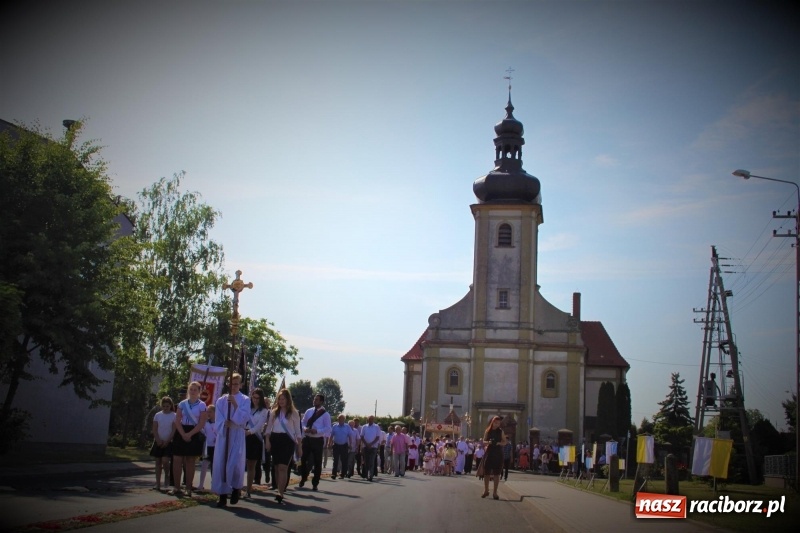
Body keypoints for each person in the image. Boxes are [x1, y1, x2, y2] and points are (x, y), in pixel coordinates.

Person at [212, 373, 250, 508]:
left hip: (237, 434)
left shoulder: (245, 399)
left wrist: (235, 404)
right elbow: (218, 417)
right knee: (222, 463)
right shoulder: (221, 400)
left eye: (236, 384)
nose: (233, 386)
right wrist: (224, 423)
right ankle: (222, 495)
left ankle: (235, 488)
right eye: (231, 384)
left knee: (235, 463)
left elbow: (245, 417)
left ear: (240, 385)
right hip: (225, 435)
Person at [264, 388, 302, 504]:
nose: (281, 401)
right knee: (276, 467)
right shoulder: (273, 412)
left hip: (287, 440)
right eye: (279, 399)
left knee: (283, 467)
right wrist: (267, 441)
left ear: (288, 400)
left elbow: (298, 432)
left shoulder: (294, 413)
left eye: (283, 399)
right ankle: (278, 488)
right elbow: (268, 429)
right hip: (275, 439)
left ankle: (280, 492)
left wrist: (299, 446)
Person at [172, 381, 208, 497]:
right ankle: (176, 487)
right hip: (181, 431)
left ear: (199, 391)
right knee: (177, 459)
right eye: (191, 389)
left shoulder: (202, 405)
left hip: (194, 432)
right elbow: (177, 420)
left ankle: (188, 488)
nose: (192, 392)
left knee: (190, 461)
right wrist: (183, 434)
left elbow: (201, 423)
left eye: (195, 390)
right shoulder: (182, 404)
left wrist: (190, 434)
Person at [299, 393, 332, 490]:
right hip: (307, 438)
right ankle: (303, 476)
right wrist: (305, 428)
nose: (314, 401)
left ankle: (315, 483)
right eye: (314, 399)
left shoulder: (325, 414)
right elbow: (303, 422)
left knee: (317, 462)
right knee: (303, 459)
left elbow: (328, 428)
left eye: (317, 399)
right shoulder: (309, 411)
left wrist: (317, 431)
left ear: (321, 401)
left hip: (317, 439)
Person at [245, 388, 269, 498]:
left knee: (251, 465)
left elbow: (259, 426)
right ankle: (237, 488)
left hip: (255, 438)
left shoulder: (264, 411)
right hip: (243, 436)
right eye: (253, 397)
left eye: (257, 398)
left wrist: (249, 432)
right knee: (240, 463)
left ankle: (248, 489)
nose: (255, 400)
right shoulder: (247, 407)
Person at [150, 396, 176, 491]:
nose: (165, 408)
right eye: (164, 406)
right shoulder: (158, 415)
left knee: (165, 460)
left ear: (170, 406)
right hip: (158, 441)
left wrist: (167, 441)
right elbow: (154, 429)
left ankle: (167, 474)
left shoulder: (174, 415)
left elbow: (173, 430)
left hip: (168, 442)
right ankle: (157, 483)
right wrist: (158, 440)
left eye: (167, 406)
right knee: (158, 462)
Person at [481, 415, 506, 500]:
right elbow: (484, 441)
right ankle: (486, 490)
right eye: (495, 423)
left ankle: (495, 492)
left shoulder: (501, 431)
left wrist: (499, 443)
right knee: (487, 472)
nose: (497, 424)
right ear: (492, 422)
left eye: (498, 423)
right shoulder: (488, 431)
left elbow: (505, 442)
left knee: (497, 473)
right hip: (489, 452)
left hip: (498, 453)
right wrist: (489, 442)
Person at [198, 404, 218, 492]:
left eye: (210, 412)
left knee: (214, 467)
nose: (208, 414)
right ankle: (200, 485)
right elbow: (202, 431)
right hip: (207, 447)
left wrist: (217, 439)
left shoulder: (218, 422)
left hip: (215, 448)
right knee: (204, 466)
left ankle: (214, 485)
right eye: (207, 412)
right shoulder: (205, 423)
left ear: (215, 412)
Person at [329, 414, 350, 480]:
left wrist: (350, 444)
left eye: (342, 419)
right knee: (335, 460)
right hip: (336, 445)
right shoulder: (335, 426)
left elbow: (350, 436)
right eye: (340, 419)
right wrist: (329, 443)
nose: (341, 420)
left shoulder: (347, 427)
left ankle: (343, 474)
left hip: (344, 445)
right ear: (338, 419)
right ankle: (334, 474)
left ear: (344, 420)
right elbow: (331, 435)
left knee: (344, 460)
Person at [360, 415, 381, 481]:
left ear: (373, 420)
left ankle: (370, 475)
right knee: (366, 462)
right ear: (367, 420)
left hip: (373, 447)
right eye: (369, 419)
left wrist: (371, 444)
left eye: (372, 419)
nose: (370, 420)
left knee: (371, 461)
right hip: (365, 446)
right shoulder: (364, 427)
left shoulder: (376, 427)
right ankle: (366, 475)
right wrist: (366, 444)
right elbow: (362, 436)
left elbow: (377, 437)